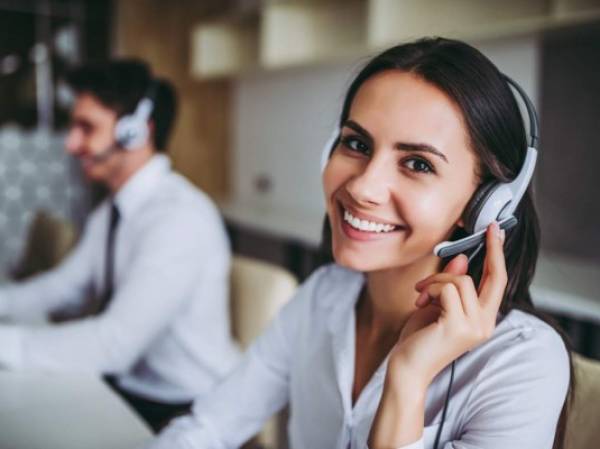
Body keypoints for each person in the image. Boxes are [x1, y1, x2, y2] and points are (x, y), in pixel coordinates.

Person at [145, 38, 572, 448]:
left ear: (485, 205)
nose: (364, 186)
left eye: (417, 163)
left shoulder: (522, 363)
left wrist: (407, 379)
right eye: (356, 143)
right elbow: (208, 427)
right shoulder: (321, 298)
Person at [0, 59, 241, 432]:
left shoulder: (177, 218)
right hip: (131, 387)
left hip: (185, 407)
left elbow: (113, 344)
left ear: (135, 132)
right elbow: (64, 287)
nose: (71, 143)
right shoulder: (114, 210)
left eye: (87, 127)